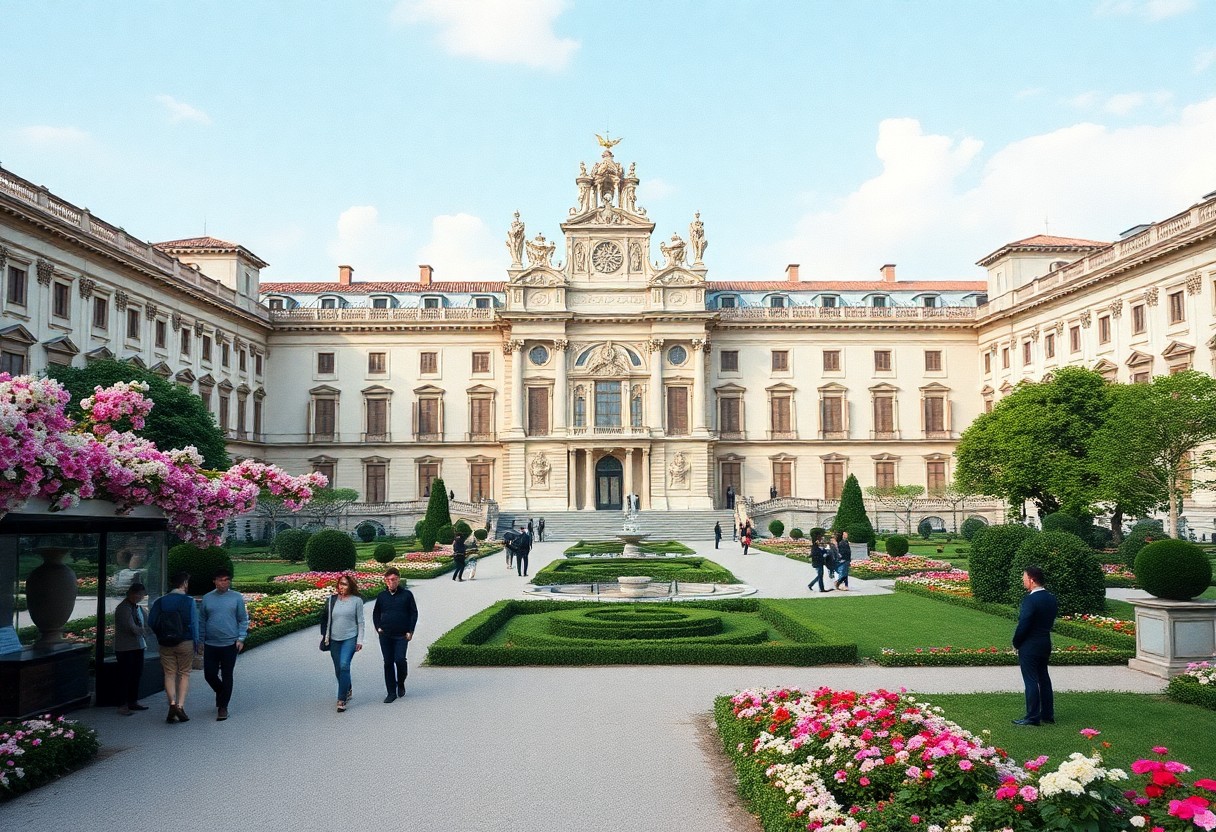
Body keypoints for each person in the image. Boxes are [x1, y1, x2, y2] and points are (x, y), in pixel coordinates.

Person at [148, 570, 200, 724]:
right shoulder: (188, 601)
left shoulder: (160, 601)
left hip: (165, 643)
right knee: (184, 673)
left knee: (169, 673)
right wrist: (196, 644)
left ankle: (171, 703)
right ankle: (180, 705)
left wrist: (161, 635)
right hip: (185, 641)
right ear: (184, 583)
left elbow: (151, 622)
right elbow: (194, 623)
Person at [200, 569, 248, 721]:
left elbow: (242, 619)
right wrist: (200, 641)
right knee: (210, 675)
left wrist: (241, 638)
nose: (224, 583)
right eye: (221, 580)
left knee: (227, 675)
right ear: (214, 581)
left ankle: (223, 707)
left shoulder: (236, 597)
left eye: (227, 580)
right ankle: (222, 692)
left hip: (230, 643)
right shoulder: (207, 598)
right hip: (211, 643)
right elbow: (202, 620)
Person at [1012, 565, 1058, 726]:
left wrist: (1016, 642)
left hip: (1030, 644)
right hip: (1044, 642)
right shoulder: (1051, 598)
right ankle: (1047, 714)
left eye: (1024, 578)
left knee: (1031, 680)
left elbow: (1024, 624)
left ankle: (1032, 716)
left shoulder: (1030, 599)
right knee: (1044, 678)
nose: (1023, 581)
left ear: (1031, 580)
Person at [373, 567, 418, 703]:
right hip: (385, 634)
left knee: (399, 660)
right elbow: (376, 613)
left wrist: (410, 631)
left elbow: (413, 613)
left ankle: (401, 682)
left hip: (401, 635)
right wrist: (378, 628)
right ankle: (391, 692)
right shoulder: (382, 596)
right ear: (385, 581)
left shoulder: (407, 595)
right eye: (388, 580)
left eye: (393, 579)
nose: (391, 582)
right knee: (388, 662)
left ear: (398, 579)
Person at [320, 574, 364, 712]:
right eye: (340, 584)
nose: (341, 587)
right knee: (339, 669)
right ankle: (348, 687)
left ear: (350, 586)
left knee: (344, 665)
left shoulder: (357, 601)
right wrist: (325, 635)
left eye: (345, 584)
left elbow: (361, 622)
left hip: (350, 638)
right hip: (334, 639)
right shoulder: (332, 600)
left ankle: (341, 699)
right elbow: (325, 619)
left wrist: (360, 640)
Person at [114, 582, 150, 716]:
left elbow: (147, 622)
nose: (140, 597)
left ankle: (132, 701)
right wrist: (146, 631)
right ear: (132, 594)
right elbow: (131, 628)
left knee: (136, 674)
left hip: (138, 646)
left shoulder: (138, 608)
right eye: (139, 594)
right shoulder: (123, 608)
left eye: (142, 595)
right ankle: (122, 704)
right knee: (125, 676)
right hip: (125, 648)